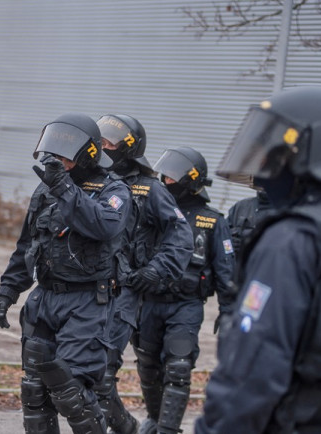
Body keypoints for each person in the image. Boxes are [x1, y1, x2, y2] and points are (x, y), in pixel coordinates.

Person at [194, 86, 321, 433]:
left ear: (305, 153)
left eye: (274, 153)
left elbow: (253, 370)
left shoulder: (294, 238)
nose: (266, 165)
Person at [0, 113, 132, 434]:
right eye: (53, 152)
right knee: (34, 390)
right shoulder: (45, 191)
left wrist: (65, 188)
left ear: (88, 154)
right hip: (45, 298)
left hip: (86, 301)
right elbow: (27, 245)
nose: (57, 160)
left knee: (71, 390)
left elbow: (104, 225)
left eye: (65, 154)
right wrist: (8, 291)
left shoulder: (114, 190)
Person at [94, 114, 194, 434]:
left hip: (124, 289)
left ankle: (125, 428)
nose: (103, 146)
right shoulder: (91, 182)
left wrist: (154, 271)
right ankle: (126, 426)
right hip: (85, 288)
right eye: (101, 140)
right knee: (76, 370)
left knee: (102, 372)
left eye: (110, 142)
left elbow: (180, 237)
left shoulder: (150, 189)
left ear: (129, 148)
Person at [139, 146, 235, 434]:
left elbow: (226, 269)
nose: (164, 182)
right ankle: (155, 420)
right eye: (162, 176)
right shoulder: (152, 211)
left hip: (186, 304)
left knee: (178, 367)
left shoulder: (212, 221)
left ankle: (168, 429)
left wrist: (228, 309)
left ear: (189, 182)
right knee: (147, 365)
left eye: (170, 178)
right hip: (149, 302)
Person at [226, 183, 275, 271]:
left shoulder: (283, 211)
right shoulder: (241, 206)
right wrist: (230, 247)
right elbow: (223, 239)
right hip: (237, 272)